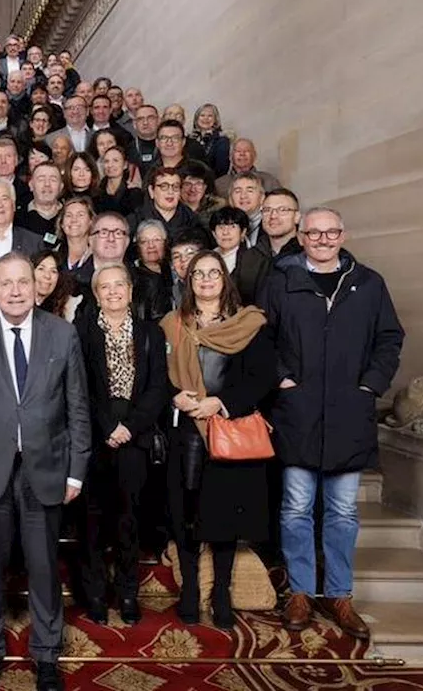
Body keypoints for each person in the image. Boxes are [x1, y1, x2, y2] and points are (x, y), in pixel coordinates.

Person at [260, 207, 404, 640]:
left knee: (342, 512)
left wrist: (371, 385)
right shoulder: (280, 281)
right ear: (301, 236)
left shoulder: (368, 283)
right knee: (296, 509)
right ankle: (301, 592)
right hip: (298, 411)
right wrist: (280, 377)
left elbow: (390, 337)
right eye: (314, 233)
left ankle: (339, 594)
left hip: (348, 412)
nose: (323, 239)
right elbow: (261, 336)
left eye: (331, 232)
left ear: (343, 235)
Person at [0, 253, 90, 691]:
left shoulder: (63, 334)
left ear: (37, 286)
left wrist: (76, 472)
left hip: (46, 470)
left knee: (43, 566)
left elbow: (78, 407)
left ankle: (47, 655)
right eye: (6, 283)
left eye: (23, 282)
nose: (15, 291)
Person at [160, 251, 277, 629]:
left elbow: (262, 377)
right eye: (198, 274)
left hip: (228, 430)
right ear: (189, 281)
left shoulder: (249, 323)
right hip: (185, 433)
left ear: (225, 280)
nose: (206, 280)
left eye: (214, 273)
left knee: (224, 517)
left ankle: (222, 591)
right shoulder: (172, 324)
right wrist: (171, 395)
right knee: (186, 515)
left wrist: (220, 402)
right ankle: (191, 590)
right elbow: (154, 376)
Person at [72, 263, 170, 625]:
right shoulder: (81, 332)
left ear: (130, 291)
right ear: (96, 295)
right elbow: (79, 386)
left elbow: (159, 387)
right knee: (92, 520)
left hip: (135, 436)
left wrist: (129, 427)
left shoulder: (150, 333)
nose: (113, 292)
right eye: (105, 287)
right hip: (95, 437)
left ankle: (128, 591)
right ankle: (95, 592)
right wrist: (107, 427)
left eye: (119, 286)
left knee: (130, 519)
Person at [211, 206, 270, 305]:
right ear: (214, 234)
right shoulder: (207, 257)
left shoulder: (254, 260)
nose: (225, 232)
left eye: (232, 227)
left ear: (243, 232)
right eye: (221, 227)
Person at [254, 188, 303, 261]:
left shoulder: (309, 255)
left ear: (297, 217)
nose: (273, 216)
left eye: (282, 210)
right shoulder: (250, 256)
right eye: (267, 210)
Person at [32, 250, 82, 321]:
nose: (47, 276)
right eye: (41, 269)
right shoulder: (19, 305)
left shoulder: (63, 310)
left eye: (53, 271)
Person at [94, 145, 144, 216]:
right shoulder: (96, 193)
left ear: (125, 165)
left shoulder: (134, 194)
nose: (110, 165)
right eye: (106, 161)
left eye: (115, 160)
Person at [57, 197, 95, 281]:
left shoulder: (99, 257)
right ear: (61, 224)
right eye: (69, 215)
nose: (74, 220)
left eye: (80, 215)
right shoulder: (54, 257)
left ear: (91, 222)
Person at [189, 103, 231, 177]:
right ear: (196, 118)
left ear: (215, 120)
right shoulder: (189, 138)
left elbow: (222, 168)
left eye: (210, 116)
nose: (206, 118)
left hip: (212, 181)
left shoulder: (221, 140)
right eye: (202, 115)